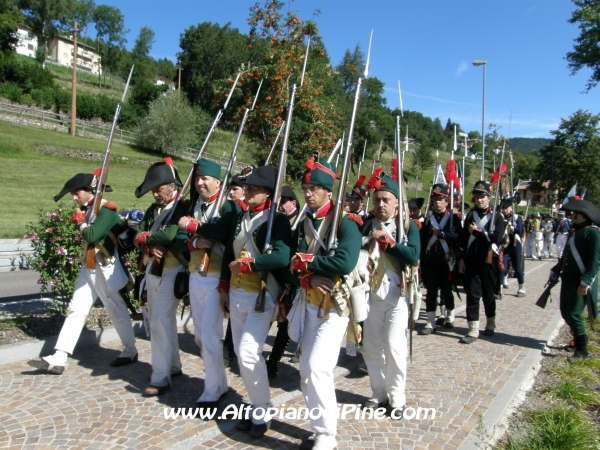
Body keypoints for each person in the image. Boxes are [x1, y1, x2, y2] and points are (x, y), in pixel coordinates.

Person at [29, 170, 138, 375]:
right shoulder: (90, 210)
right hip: (89, 265)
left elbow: (92, 234)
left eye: (76, 192)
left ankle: (130, 350)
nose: (74, 197)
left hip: (106, 268)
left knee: (116, 311)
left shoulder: (106, 210)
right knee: (76, 309)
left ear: (90, 191)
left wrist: (81, 223)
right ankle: (60, 357)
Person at [289, 154, 361, 450]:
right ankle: (319, 425)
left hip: (335, 306)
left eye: (313, 189)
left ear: (328, 192)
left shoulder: (347, 225)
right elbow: (291, 262)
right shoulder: (303, 221)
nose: (307, 194)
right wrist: (307, 277)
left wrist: (309, 264)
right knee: (306, 370)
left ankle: (327, 435)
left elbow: (344, 262)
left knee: (318, 367)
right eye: (305, 188)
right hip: (309, 301)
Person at [218, 165, 292, 438]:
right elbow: (229, 252)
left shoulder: (278, 220)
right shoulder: (241, 217)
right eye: (246, 188)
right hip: (236, 293)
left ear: (267, 193)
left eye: (253, 189)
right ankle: (257, 405)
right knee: (241, 354)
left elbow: (282, 257)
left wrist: (249, 265)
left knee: (249, 352)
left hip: (263, 294)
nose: (246, 192)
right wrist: (224, 285)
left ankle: (262, 411)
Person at [176, 158, 241, 409]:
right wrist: (196, 241)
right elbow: (181, 236)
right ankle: (218, 383)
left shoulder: (228, 207)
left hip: (216, 276)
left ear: (217, 181)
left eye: (205, 179)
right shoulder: (195, 205)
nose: (200, 183)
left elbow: (222, 232)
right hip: (196, 273)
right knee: (201, 337)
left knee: (211, 336)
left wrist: (193, 226)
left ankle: (213, 388)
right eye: (197, 179)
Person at [360, 170, 420, 420]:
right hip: (371, 295)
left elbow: (414, 255)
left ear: (396, 202)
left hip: (397, 297)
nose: (381, 204)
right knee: (371, 349)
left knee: (395, 349)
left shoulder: (407, 226)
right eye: (377, 200)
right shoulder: (366, 224)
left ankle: (397, 397)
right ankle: (378, 393)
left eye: (386, 200)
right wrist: (369, 240)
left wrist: (391, 244)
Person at [134, 158, 189, 396]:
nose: (156, 192)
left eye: (159, 187)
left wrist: (146, 239)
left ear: (171, 186)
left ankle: (160, 376)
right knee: (161, 320)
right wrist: (146, 245)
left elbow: (169, 234)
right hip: (153, 268)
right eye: (154, 189)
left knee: (159, 320)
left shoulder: (182, 207)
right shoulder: (153, 210)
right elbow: (140, 232)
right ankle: (173, 366)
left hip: (174, 268)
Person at [549, 200, 600, 359]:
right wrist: (555, 270)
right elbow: (566, 257)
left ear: (582, 215)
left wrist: (586, 282)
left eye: (573, 213)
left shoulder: (591, 233)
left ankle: (582, 350)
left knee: (574, 314)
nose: (571, 216)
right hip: (568, 280)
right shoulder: (574, 232)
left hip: (580, 281)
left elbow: (595, 260)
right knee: (565, 312)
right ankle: (576, 342)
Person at [458, 181, 505, 344]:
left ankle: (490, 323)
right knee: (472, 295)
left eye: (482, 197)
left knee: (488, 295)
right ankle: (473, 329)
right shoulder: (471, 215)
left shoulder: (497, 217)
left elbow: (496, 238)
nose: (479, 200)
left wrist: (478, 232)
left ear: (489, 197)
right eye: (477, 197)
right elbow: (463, 238)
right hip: (472, 260)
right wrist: (462, 258)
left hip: (489, 260)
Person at [265, 184, 299, 380]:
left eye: (284, 202)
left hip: (290, 278)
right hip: (273, 276)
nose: (280, 205)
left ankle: (273, 361)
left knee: (284, 325)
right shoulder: (275, 220)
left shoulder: (301, 220)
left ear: (293, 203)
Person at [419, 183, 462, 334]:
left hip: (446, 261)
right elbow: (423, 240)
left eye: (440, 199)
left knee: (446, 290)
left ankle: (450, 315)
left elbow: (459, 237)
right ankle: (431, 322)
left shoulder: (453, 219)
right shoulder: (428, 219)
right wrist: (421, 259)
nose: (437, 202)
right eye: (435, 199)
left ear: (446, 201)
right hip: (431, 261)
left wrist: (443, 234)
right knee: (431, 291)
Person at [500, 199, 526, 297]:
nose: (505, 210)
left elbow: (520, 230)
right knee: (502, 266)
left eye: (506, 208)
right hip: (505, 244)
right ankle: (499, 288)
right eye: (503, 208)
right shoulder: (500, 217)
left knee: (517, 267)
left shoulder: (516, 217)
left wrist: (512, 228)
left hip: (515, 244)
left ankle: (521, 287)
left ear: (511, 208)